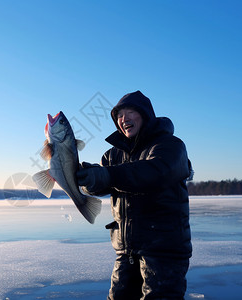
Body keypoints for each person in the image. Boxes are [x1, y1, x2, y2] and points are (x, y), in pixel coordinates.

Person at [77, 91, 193, 299]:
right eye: (119, 115)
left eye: (130, 112)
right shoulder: (113, 154)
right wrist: (86, 178)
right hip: (126, 251)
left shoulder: (170, 146)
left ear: (146, 115)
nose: (124, 119)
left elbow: (152, 173)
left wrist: (106, 175)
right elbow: (101, 182)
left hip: (163, 252)